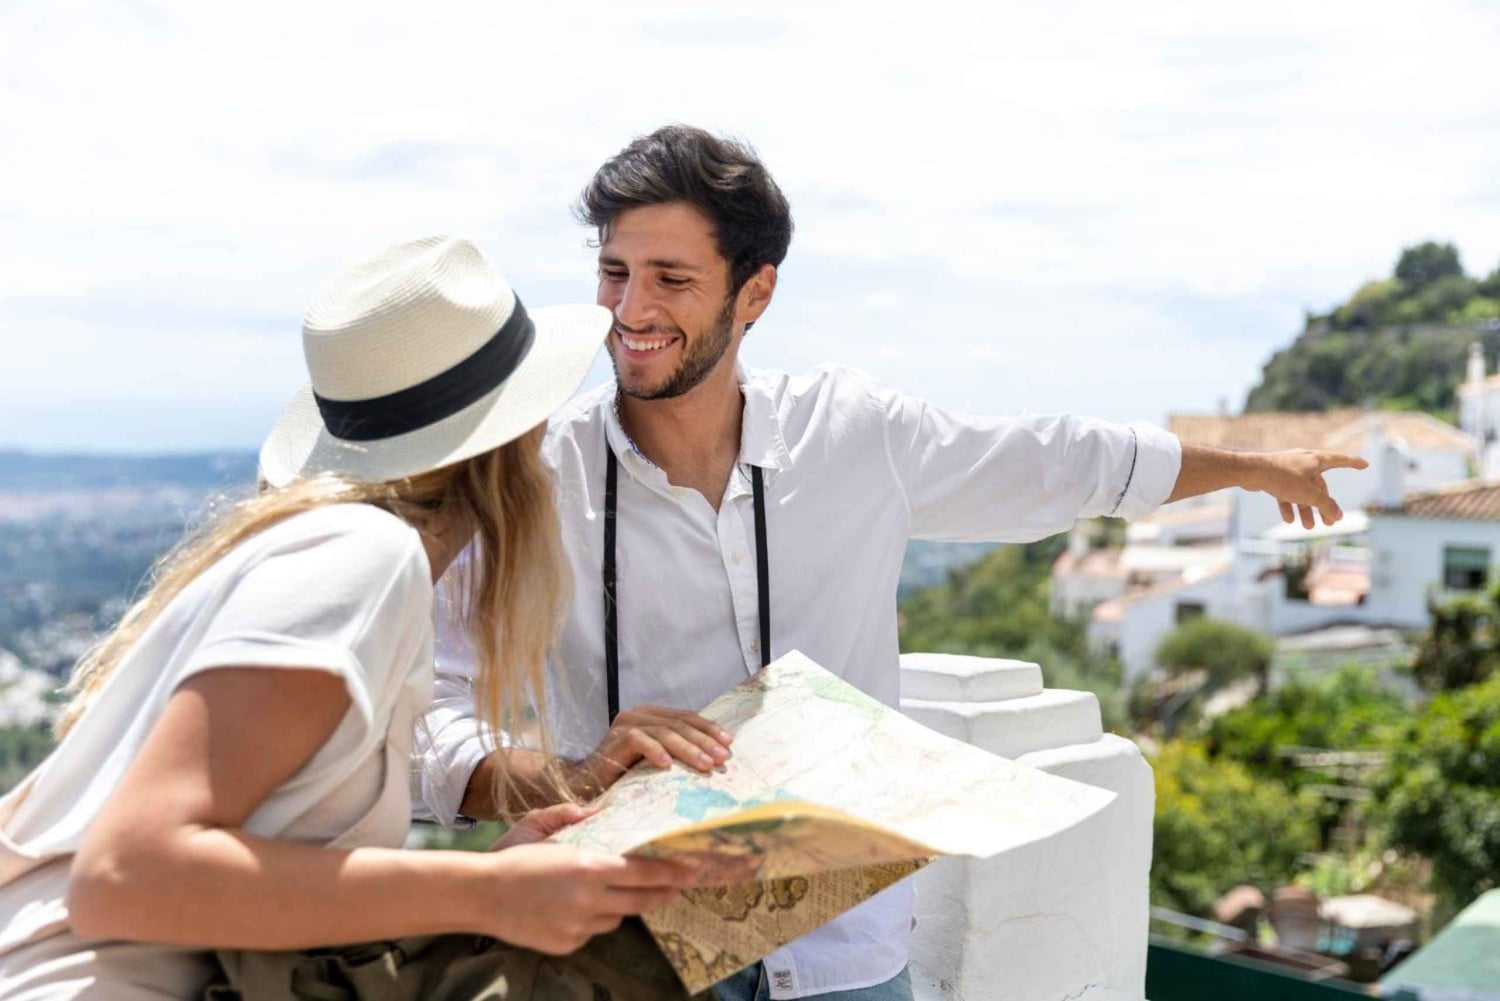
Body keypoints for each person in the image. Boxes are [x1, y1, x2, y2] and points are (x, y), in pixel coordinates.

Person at [414, 126, 1368, 1001]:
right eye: (615, 272)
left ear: (757, 291)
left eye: (671, 277)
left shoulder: (851, 433)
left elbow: (1055, 460)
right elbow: (421, 710)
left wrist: (1251, 468)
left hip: (845, 956)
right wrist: (567, 776)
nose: (630, 309)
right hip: (630, 953)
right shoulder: (537, 477)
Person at [0, 236, 703, 1000]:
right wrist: (486, 894)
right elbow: (127, 876)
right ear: (516, 439)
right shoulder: (367, 557)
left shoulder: (327, 551)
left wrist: (503, 873)